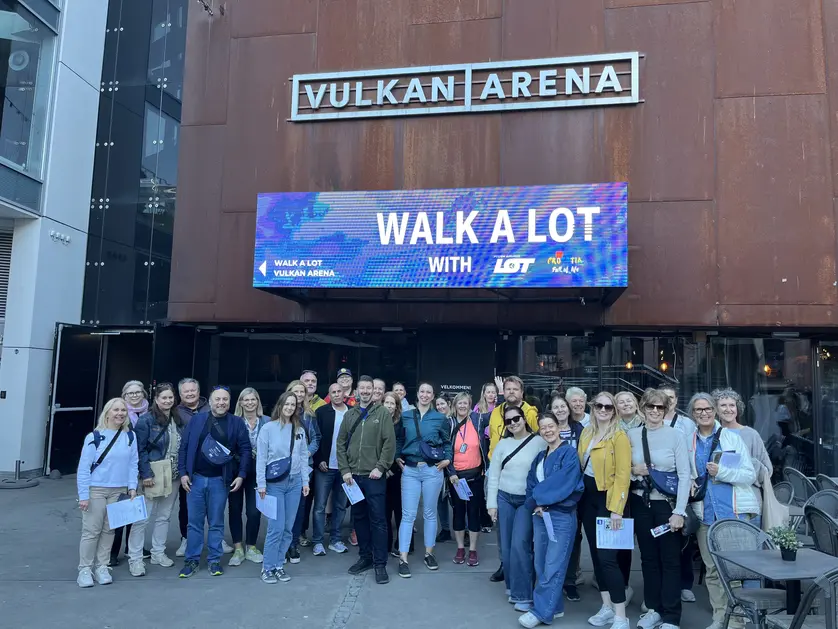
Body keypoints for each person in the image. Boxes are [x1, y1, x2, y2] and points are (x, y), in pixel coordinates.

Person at [688, 392, 759, 629]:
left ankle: (736, 621)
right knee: (711, 569)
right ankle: (720, 617)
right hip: (705, 513)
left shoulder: (731, 438)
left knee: (733, 570)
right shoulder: (689, 441)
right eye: (699, 410)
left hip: (732, 513)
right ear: (693, 414)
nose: (704, 413)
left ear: (715, 411)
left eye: (708, 408)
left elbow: (749, 475)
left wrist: (722, 472)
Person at [628, 388, 692, 629]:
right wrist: (634, 470)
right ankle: (654, 608)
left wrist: (680, 511)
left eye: (660, 407)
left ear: (666, 410)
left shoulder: (676, 435)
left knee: (670, 559)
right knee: (648, 558)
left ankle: (671, 616)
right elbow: (623, 468)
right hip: (640, 502)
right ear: (642, 408)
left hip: (666, 505)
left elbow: (684, 475)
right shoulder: (632, 435)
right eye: (651, 406)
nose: (655, 411)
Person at [517, 411, 585, 628]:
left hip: (560, 516)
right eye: (543, 427)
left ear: (558, 427)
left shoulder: (569, 454)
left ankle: (541, 611)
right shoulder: (540, 456)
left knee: (554, 565)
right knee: (540, 563)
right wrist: (535, 503)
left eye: (550, 426)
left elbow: (562, 483)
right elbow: (530, 483)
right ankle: (554, 608)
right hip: (540, 516)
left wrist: (537, 499)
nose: (547, 430)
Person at [177, 386, 251, 578]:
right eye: (217, 399)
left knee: (216, 522)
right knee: (194, 523)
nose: (221, 403)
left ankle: (214, 560)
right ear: (210, 402)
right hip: (195, 479)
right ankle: (192, 560)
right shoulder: (197, 420)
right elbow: (184, 447)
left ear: (230, 402)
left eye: (225, 399)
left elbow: (245, 449)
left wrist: (241, 474)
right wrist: (183, 473)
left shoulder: (236, 423)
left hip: (220, 480)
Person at [579, 392, 632, 629]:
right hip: (587, 499)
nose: (603, 410)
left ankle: (621, 615)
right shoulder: (587, 432)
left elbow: (623, 475)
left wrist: (617, 509)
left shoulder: (619, 436)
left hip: (609, 501)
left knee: (608, 559)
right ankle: (606, 607)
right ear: (593, 407)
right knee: (596, 556)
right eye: (599, 405)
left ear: (614, 411)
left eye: (608, 407)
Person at [336, 375, 396, 584]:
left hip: (374, 477)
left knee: (378, 520)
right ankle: (365, 557)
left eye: (369, 388)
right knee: (359, 518)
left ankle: (380, 564)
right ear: (356, 391)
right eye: (362, 388)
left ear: (374, 391)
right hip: (353, 477)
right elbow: (340, 443)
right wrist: (345, 470)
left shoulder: (382, 413)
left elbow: (389, 443)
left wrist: (381, 467)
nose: (365, 391)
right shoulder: (349, 414)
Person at [486, 404, 546, 612]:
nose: (513, 423)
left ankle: (524, 593)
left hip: (526, 500)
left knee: (520, 544)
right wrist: (491, 504)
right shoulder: (503, 444)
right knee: (506, 547)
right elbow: (494, 475)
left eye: (516, 419)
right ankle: (513, 587)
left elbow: (544, 471)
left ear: (524, 418)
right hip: (504, 497)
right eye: (508, 421)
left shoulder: (539, 442)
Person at [75, 398, 139, 588]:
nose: (120, 413)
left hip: (119, 490)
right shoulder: (94, 436)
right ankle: (85, 569)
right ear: (107, 413)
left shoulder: (130, 437)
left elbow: (133, 464)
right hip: (96, 489)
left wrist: (132, 486)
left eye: (123, 410)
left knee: (109, 530)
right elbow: (84, 468)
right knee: (91, 531)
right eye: (116, 410)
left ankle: (102, 566)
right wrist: (83, 495)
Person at [397, 381, 452, 578]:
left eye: (429, 392)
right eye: (422, 391)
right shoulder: (405, 416)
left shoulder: (440, 418)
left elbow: (447, 442)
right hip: (410, 470)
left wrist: (447, 459)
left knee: (429, 513)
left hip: (432, 470)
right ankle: (403, 559)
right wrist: (397, 457)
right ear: (417, 393)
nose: (425, 395)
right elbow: (399, 439)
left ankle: (429, 553)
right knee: (408, 515)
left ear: (433, 396)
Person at [256, 391, 310, 584]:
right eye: (286, 404)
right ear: (280, 405)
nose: (289, 407)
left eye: (293, 405)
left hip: (295, 482)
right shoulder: (268, 428)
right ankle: (267, 567)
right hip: (275, 484)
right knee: (276, 528)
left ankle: (279, 565)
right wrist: (261, 483)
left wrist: (305, 481)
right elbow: (261, 458)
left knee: (288, 528)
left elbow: (303, 456)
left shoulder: (299, 429)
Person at [129, 383, 182, 575]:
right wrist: (145, 474)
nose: (167, 401)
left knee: (164, 516)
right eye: (163, 398)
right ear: (156, 399)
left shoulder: (177, 418)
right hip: (153, 472)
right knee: (142, 518)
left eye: (170, 397)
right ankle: (135, 558)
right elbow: (140, 449)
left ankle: (158, 552)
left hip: (173, 474)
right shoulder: (146, 420)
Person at [658, 384, 698, 604]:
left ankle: (685, 584)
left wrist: (692, 477)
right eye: (663, 397)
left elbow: (692, 452)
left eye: (671, 397)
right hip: (658, 486)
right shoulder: (650, 420)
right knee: (660, 538)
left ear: (676, 400)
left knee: (683, 537)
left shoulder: (686, 423)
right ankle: (662, 584)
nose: (667, 401)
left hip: (680, 484)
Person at [550, 393, 586, 601]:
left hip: (576, 492)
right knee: (553, 535)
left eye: (563, 406)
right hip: (553, 491)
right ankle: (553, 577)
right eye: (556, 407)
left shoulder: (580, 430)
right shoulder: (547, 430)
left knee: (574, 536)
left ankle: (570, 580)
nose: (560, 410)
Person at [711, 388, 772, 509]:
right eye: (723, 405)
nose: (728, 409)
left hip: (748, 500)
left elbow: (767, 470)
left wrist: (746, 463)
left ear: (737, 408)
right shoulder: (711, 434)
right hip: (720, 500)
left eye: (732, 405)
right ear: (716, 409)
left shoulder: (751, 435)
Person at [228, 387, 269, 567]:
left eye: (253, 399)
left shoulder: (267, 421)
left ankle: (251, 546)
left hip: (258, 473)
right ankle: (238, 548)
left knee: (254, 511)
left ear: (258, 402)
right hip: (236, 471)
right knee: (235, 509)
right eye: (246, 399)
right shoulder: (233, 421)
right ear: (241, 402)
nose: (250, 403)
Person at [110, 380, 149, 567]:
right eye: (130, 393)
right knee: (119, 511)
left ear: (143, 394)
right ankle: (112, 552)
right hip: (122, 470)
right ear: (124, 395)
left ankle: (131, 548)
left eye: (138, 392)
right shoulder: (119, 413)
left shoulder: (149, 413)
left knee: (135, 511)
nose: (134, 396)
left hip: (141, 468)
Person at [174, 378, 214, 558]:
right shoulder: (175, 412)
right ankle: (186, 538)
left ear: (198, 391)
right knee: (186, 505)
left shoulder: (211, 407)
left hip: (211, 464)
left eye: (193, 390)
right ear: (180, 394)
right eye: (186, 391)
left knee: (214, 504)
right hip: (188, 465)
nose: (190, 394)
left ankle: (216, 538)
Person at [447, 392, 486, 566]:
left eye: (466, 403)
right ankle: (460, 548)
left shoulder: (477, 420)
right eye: (459, 403)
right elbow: (445, 449)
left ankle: (473, 550)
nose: (462, 406)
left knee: (474, 512)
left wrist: (500, 394)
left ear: (470, 405)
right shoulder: (449, 423)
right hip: (456, 477)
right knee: (458, 513)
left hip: (475, 476)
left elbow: (497, 414)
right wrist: (451, 472)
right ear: (455, 405)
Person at [311, 382, 350, 556]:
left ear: (344, 393)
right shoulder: (321, 412)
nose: (336, 394)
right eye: (333, 392)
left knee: (340, 505)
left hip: (345, 468)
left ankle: (335, 540)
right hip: (325, 467)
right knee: (320, 506)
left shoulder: (352, 412)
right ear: (329, 395)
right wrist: (319, 459)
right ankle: (318, 541)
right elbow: (316, 437)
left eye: (339, 391)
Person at [289, 379, 322, 555]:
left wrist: (307, 453)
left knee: (300, 506)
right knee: (285, 507)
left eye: (302, 391)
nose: (300, 394)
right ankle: (283, 542)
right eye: (296, 391)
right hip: (285, 467)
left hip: (305, 467)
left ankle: (293, 543)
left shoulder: (310, 415)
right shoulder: (283, 412)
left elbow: (316, 438)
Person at [382, 391, 411, 556]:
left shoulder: (401, 423)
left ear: (397, 406)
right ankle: (386, 544)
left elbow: (400, 444)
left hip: (397, 470)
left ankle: (404, 544)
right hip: (381, 471)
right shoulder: (377, 421)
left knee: (400, 509)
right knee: (384, 510)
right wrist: (383, 468)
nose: (389, 406)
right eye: (386, 402)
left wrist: (391, 467)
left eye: (392, 403)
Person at [488, 376, 539, 458]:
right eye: (508, 389)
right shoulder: (496, 411)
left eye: (515, 389)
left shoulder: (530, 413)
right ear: (503, 392)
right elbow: (491, 435)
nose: (511, 392)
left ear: (522, 393)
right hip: (494, 460)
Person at [435, 394, 455, 543]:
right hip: (439, 464)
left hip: (456, 464)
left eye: (442, 404)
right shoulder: (436, 420)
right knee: (440, 500)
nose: (440, 407)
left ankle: (464, 530)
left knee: (457, 500)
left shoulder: (454, 420)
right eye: (437, 405)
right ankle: (445, 529)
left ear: (449, 403)